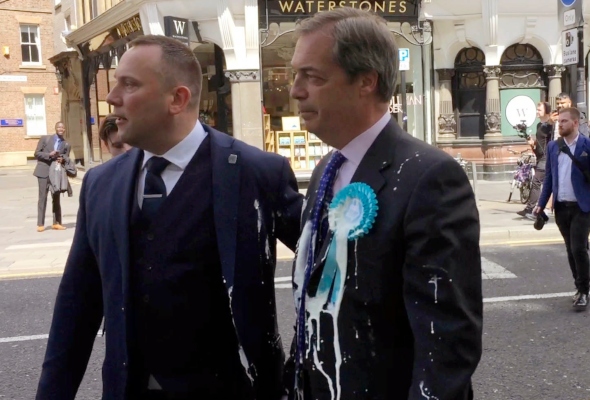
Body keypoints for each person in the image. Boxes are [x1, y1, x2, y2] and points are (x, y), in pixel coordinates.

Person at [36, 35, 303, 400]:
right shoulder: (102, 184)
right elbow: (77, 306)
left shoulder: (257, 173)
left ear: (177, 99)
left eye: (129, 85)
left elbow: (332, 271)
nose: (112, 98)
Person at [284, 8, 482, 400]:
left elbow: (446, 344)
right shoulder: (328, 166)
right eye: (295, 75)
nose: (295, 90)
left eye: (313, 77)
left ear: (366, 82)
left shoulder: (430, 177)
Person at [534, 107, 590, 310]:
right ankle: (580, 286)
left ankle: (584, 290)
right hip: (561, 206)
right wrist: (541, 204)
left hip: (582, 207)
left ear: (575, 123)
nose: (560, 124)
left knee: (578, 248)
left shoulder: (587, 145)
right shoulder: (552, 147)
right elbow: (549, 177)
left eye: (565, 121)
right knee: (571, 249)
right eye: (559, 122)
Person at [33, 121, 71, 232]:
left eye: (63, 127)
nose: (61, 129)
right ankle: (40, 224)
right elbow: (36, 153)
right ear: (55, 128)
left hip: (56, 173)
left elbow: (66, 158)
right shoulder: (45, 139)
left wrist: (62, 159)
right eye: (59, 127)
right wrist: (49, 154)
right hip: (43, 171)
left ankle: (57, 222)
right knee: (42, 197)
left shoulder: (66, 144)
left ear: (64, 130)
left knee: (56, 198)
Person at [517, 101, 552, 219]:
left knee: (536, 181)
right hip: (540, 157)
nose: (537, 112)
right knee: (545, 183)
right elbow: (539, 143)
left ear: (546, 111)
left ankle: (531, 208)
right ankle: (538, 208)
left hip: (546, 158)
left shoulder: (549, 126)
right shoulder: (539, 125)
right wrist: (532, 143)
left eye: (539, 110)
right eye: (537, 110)